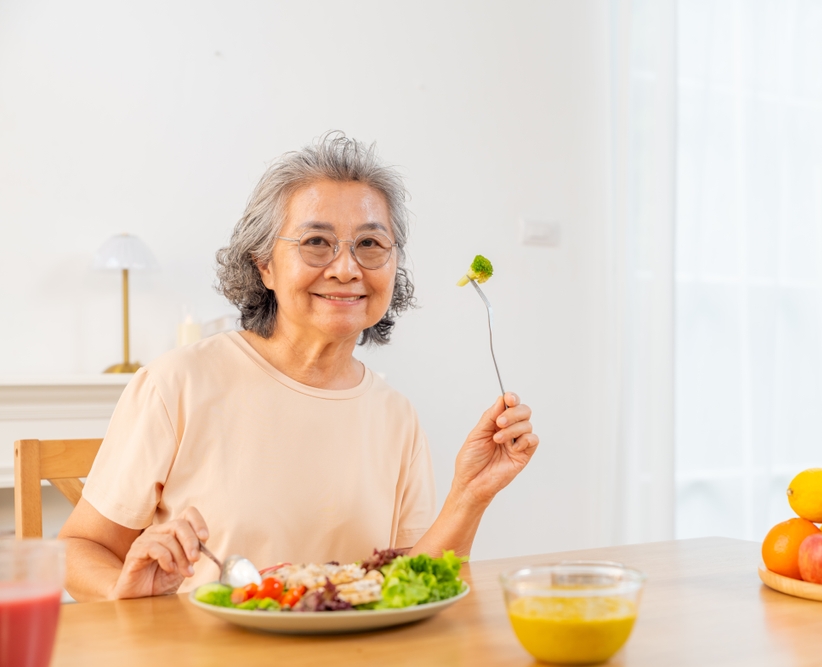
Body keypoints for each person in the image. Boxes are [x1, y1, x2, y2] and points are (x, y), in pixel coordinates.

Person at [59, 132, 539, 601]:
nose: (347, 268)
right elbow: (81, 547)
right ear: (264, 265)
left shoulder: (396, 416)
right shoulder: (176, 384)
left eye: (370, 245)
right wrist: (122, 591)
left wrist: (470, 495)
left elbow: (406, 588)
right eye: (316, 241)